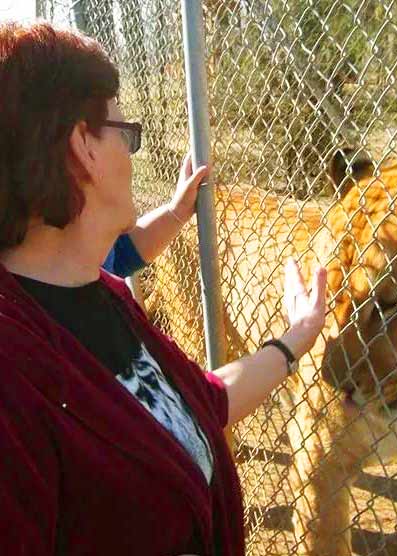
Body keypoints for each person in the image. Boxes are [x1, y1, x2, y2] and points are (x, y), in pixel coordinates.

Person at [0, 21, 327, 556]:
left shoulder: (106, 296)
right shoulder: (13, 377)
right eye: (123, 131)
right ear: (83, 146)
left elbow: (199, 403)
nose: (131, 153)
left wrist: (294, 340)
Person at [104, 152, 206, 277]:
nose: (128, 154)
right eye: (126, 136)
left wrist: (177, 211)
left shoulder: (85, 257)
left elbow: (117, 258)